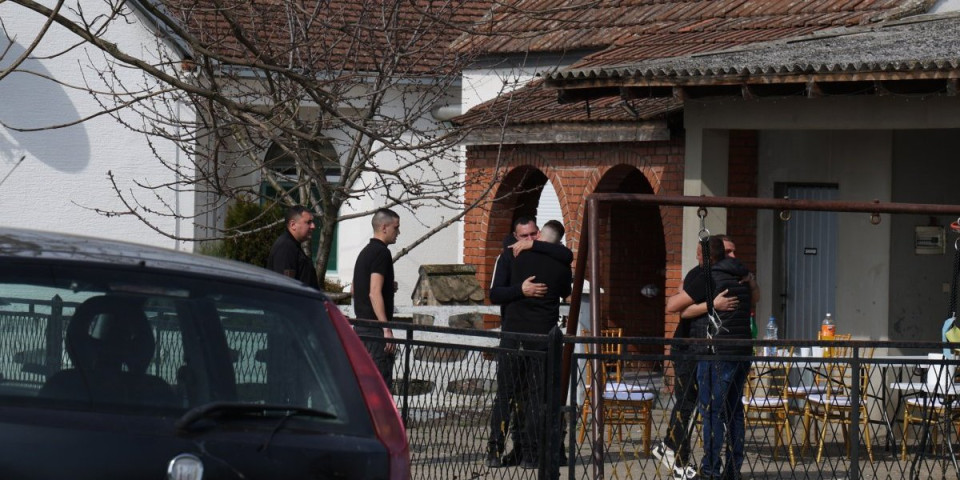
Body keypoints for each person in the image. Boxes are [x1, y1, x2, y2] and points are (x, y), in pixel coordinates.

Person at [486, 217, 572, 468]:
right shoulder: (557, 260)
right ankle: (531, 455)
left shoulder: (515, 256)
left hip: (516, 334)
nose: (529, 240)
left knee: (509, 395)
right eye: (524, 236)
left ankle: (499, 450)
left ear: (539, 235)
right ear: (516, 236)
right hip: (539, 336)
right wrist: (520, 291)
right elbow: (495, 294)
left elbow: (493, 294)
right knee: (532, 397)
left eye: (533, 235)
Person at [670, 235, 756, 480]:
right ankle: (733, 470)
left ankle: (710, 470)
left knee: (712, 413)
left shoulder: (709, 277)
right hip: (742, 351)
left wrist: (709, 304)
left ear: (709, 256)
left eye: (700, 254)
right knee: (734, 411)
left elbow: (675, 306)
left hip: (717, 353)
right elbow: (754, 300)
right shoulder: (743, 276)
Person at [352, 208, 401, 390]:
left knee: (363, 386)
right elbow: (374, 292)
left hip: (361, 329)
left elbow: (355, 288)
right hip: (374, 331)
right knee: (379, 388)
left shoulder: (365, 252)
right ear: (384, 227)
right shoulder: (382, 253)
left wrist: (388, 286)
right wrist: (386, 329)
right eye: (396, 228)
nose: (398, 233)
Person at [266, 205, 320, 289]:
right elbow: (285, 288)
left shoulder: (293, 246)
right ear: (293, 225)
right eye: (308, 222)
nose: (313, 226)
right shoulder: (285, 248)